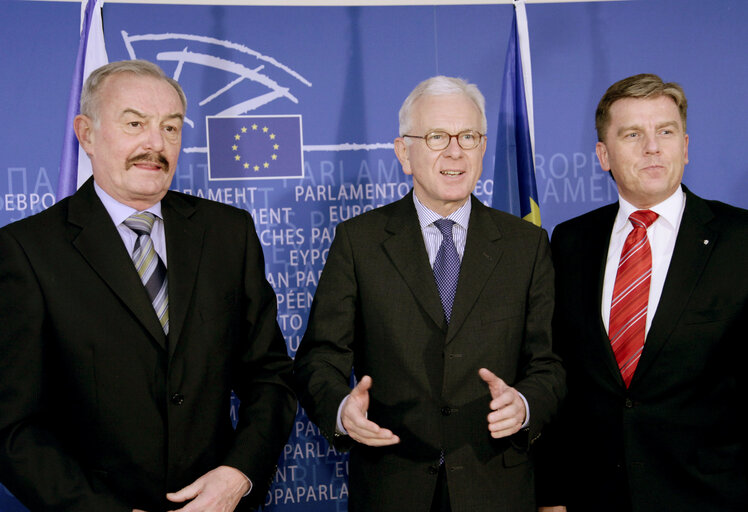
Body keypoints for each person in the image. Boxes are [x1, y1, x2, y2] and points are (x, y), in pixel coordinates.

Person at [0, 60, 296, 512]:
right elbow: (13, 426)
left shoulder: (226, 233)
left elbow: (269, 375)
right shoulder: (27, 251)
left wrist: (239, 474)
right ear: (87, 134)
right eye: (135, 123)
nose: (155, 144)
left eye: (171, 128)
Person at [293, 76, 565, 512]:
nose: (455, 151)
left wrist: (525, 404)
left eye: (468, 137)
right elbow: (319, 359)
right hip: (392, 486)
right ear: (404, 152)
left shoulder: (526, 245)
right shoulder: (358, 242)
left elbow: (548, 363)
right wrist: (342, 408)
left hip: (495, 486)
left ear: (482, 147)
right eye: (437, 136)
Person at [535, 74, 748, 512]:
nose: (653, 147)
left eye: (665, 132)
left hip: (711, 497)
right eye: (633, 134)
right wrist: (552, 491)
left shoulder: (740, 240)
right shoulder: (571, 242)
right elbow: (558, 373)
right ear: (603, 155)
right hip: (596, 497)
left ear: (685, 147)